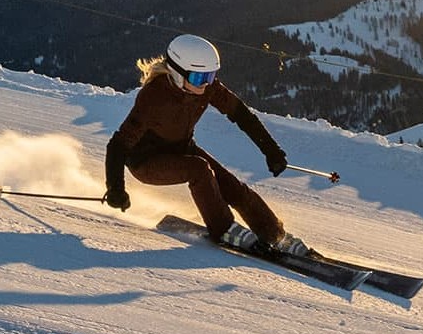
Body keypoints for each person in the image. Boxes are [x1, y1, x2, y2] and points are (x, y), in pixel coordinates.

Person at [103, 33, 303, 253]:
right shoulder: (154, 97)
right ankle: (224, 228)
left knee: (232, 186)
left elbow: (242, 115)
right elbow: (118, 145)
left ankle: (274, 234)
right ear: (178, 74)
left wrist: (271, 151)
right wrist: (116, 189)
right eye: (199, 78)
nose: (206, 84)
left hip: (181, 149)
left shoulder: (207, 88)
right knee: (199, 169)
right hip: (146, 161)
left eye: (211, 76)